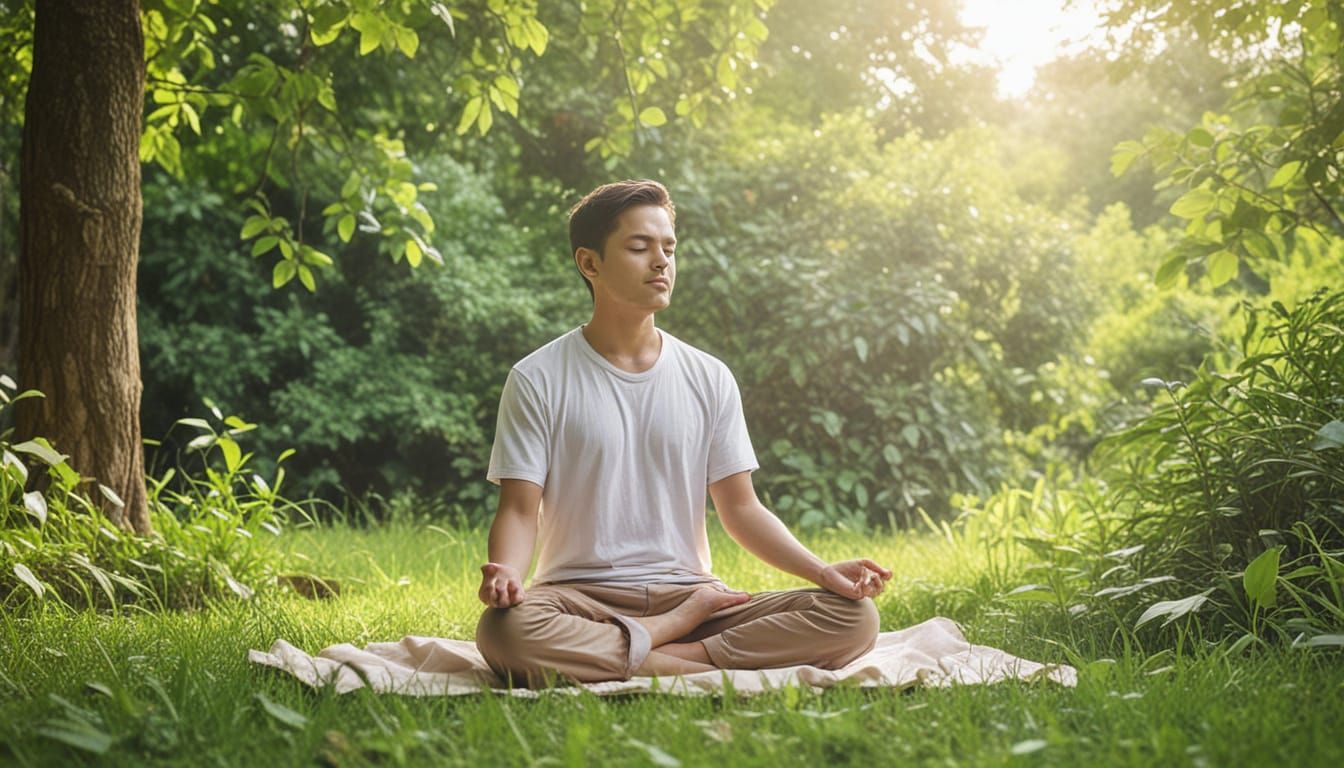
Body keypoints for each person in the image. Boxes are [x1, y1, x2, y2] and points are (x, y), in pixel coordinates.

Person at [474, 179, 891, 686]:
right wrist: (510, 573)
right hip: (577, 597)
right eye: (639, 247)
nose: (661, 262)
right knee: (506, 631)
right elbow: (519, 509)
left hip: (694, 593)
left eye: (669, 248)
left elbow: (740, 508)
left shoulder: (709, 377)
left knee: (853, 618)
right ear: (590, 263)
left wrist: (823, 573)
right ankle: (679, 648)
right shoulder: (537, 378)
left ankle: (641, 658)